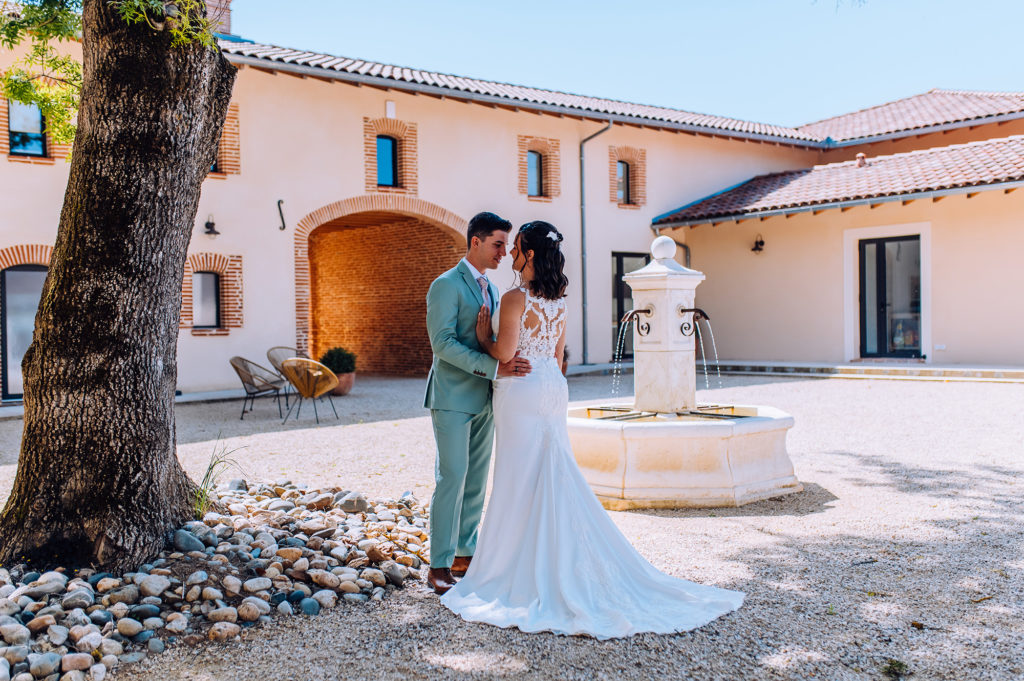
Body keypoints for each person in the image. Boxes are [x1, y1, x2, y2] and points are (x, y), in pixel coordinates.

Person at [440, 220, 744, 638]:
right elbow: (559, 358)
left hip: (521, 391)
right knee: (553, 470)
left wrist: (482, 336)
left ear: (529, 254)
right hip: (552, 387)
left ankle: (513, 566)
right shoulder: (558, 300)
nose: (510, 254)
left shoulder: (514, 298)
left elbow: (506, 354)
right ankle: (559, 558)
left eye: (517, 248)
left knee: (517, 477)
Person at [423, 211, 531, 596]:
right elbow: (443, 344)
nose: (505, 252)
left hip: (487, 398)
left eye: (506, 245)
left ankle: (464, 557)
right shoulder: (445, 285)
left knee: (475, 481)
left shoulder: (492, 289)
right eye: (499, 244)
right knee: (451, 477)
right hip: (452, 396)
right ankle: (438, 564)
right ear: (476, 242)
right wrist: (495, 367)